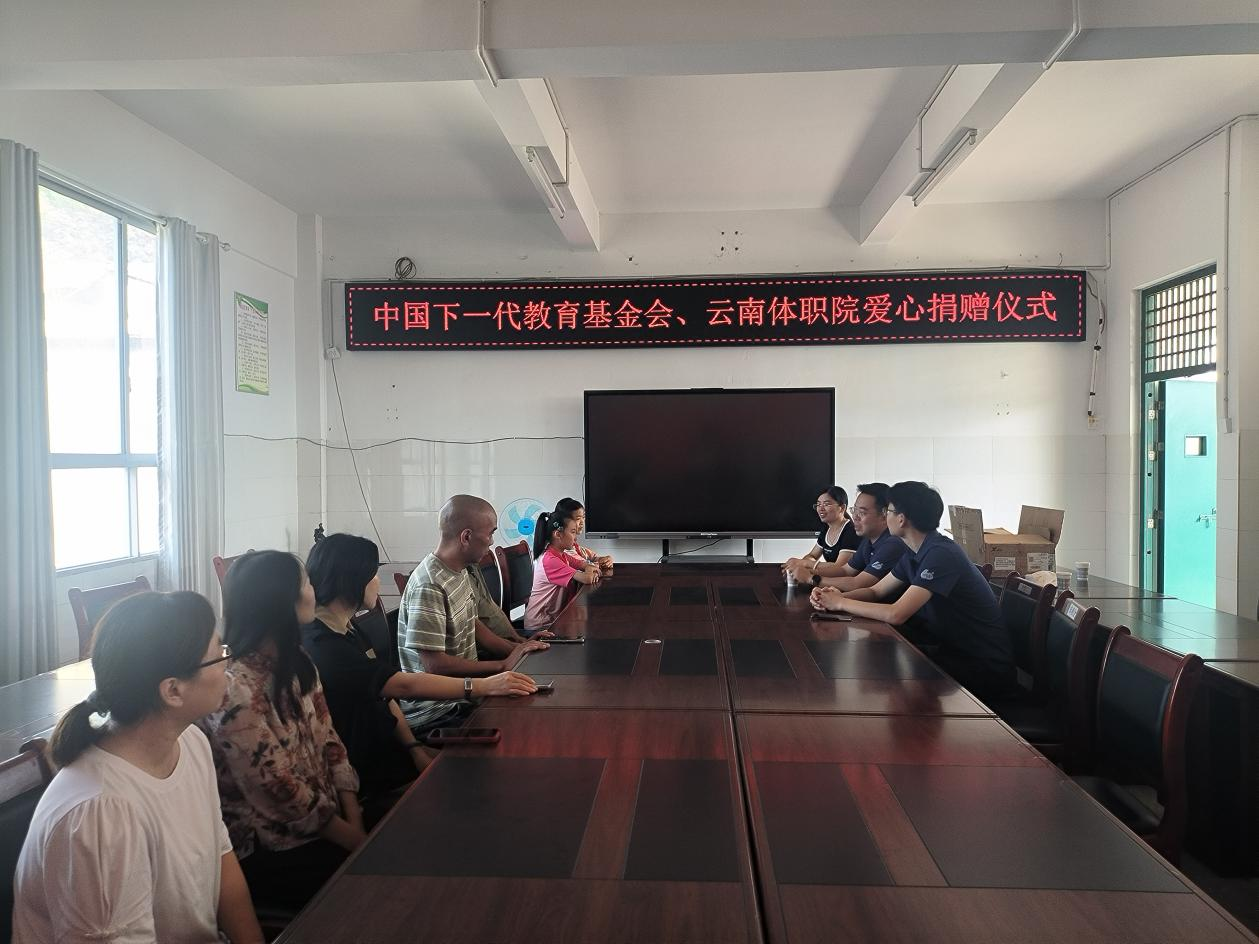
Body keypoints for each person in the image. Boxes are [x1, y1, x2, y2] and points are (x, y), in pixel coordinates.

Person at [13, 592, 263, 944]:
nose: (228, 665)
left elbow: (223, 863)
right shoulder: (101, 813)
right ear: (173, 690)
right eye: (219, 655)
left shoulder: (191, 743)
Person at [303, 533, 538, 799]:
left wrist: (414, 748)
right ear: (351, 580)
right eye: (373, 574)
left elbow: (385, 694)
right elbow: (402, 686)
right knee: (488, 780)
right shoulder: (324, 645)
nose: (377, 581)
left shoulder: (347, 628)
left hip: (392, 749)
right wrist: (486, 685)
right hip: (369, 771)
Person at [201, 550, 364, 912]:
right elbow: (281, 793)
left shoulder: (297, 662)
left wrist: (355, 818)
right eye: (306, 582)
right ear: (281, 602)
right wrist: (356, 841)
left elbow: (330, 740)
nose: (313, 589)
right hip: (272, 851)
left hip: (328, 826)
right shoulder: (233, 690)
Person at [810, 481, 1016, 701]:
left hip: (980, 666)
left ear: (901, 518)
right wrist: (835, 597)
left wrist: (840, 603)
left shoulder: (941, 554)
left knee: (879, 683)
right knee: (877, 675)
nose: (885, 516)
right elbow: (876, 591)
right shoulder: (913, 551)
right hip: (947, 651)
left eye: (888, 511)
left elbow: (897, 614)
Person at [397, 495, 549, 733]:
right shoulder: (430, 585)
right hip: (439, 711)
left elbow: (472, 623)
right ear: (466, 537)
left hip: (468, 693)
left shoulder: (460, 571)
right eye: (490, 534)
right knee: (528, 728)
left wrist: (518, 649)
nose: (491, 542)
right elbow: (434, 666)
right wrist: (500, 667)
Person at [810, 483, 908, 592]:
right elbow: (846, 570)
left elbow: (858, 584)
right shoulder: (868, 540)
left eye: (861, 512)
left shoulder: (893, 543)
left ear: (884, 515)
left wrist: (811, 578)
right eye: (854, 510)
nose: (855, 517)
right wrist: (811, 572)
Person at [525, 507, 602, 633]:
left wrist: (590, 568)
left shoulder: (561, 554)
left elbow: (585, 565)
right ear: (558, 534)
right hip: (541, 626)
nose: (576, 537)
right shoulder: (550, 560)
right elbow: (587, 578)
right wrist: (590, 571)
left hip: (553, 619)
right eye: (572, 532)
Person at [783, 486, 861, 583]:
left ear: (842, 508)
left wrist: (805, 564)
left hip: (846, 584)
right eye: (818, 504)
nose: (821, 508)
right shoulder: (826, 528)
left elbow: (840, 567)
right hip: (829, 581)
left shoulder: (851, 531)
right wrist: (800, 569)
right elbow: (812, 555)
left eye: (826, 504)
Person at [554, 497, 613, 573]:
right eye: (578, 518)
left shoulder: (575, 546)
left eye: (583, 517)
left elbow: (592, 557)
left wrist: (606, 559)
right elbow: (585, 566)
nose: (582, 522)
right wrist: (600, 563)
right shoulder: (564, 550)